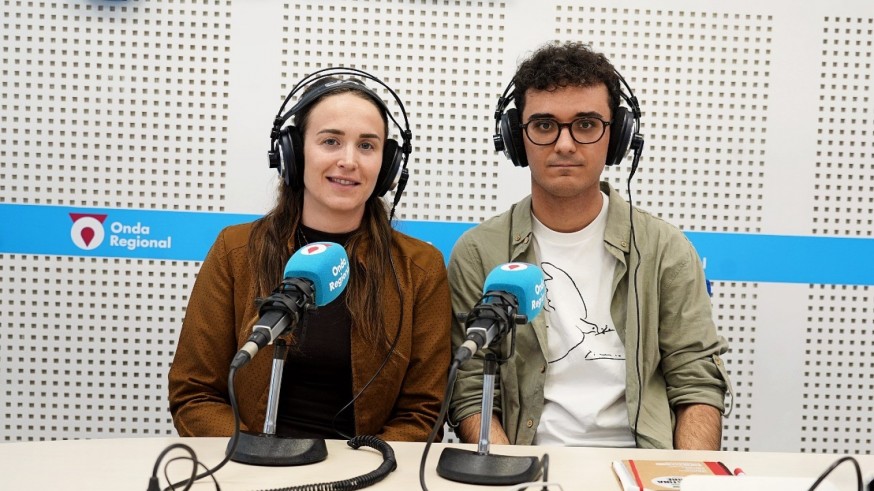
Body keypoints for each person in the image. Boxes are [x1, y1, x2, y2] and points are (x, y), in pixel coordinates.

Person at [448, 42, 731, 450]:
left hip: (641, 465)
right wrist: (506, 469)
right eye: (544, 125)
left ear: (617, 137)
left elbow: (697, 383)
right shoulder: (479, 253)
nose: (565, 144)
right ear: (516, 138)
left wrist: (684, 475)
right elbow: (473, 390)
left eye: (585, 124)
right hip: (525, 463)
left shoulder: (665, 249)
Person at [168, 70, 452, 442]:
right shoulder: (235, 251)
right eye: (331, 141)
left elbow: (424, 412)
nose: (349, 160)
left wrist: (362, 465)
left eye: (367, 146)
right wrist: (254, 457)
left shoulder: (420, 268)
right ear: (293, 152)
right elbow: (194, 394)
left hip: (365, 468)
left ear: (388, 166)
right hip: (251, 464)